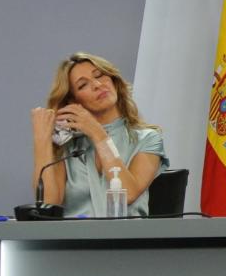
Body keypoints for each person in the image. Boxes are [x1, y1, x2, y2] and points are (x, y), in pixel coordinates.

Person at [31, 53, 168, 217]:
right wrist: (42, 140)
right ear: (74, 102)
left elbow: (128, 194)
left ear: (113, 81)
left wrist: (96, 132)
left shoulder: (148, 138)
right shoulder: (68, 146)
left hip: (125, 239)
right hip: (73, 239)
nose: (97, 84)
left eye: (100, 75)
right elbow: (48, 205)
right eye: (83, 85)